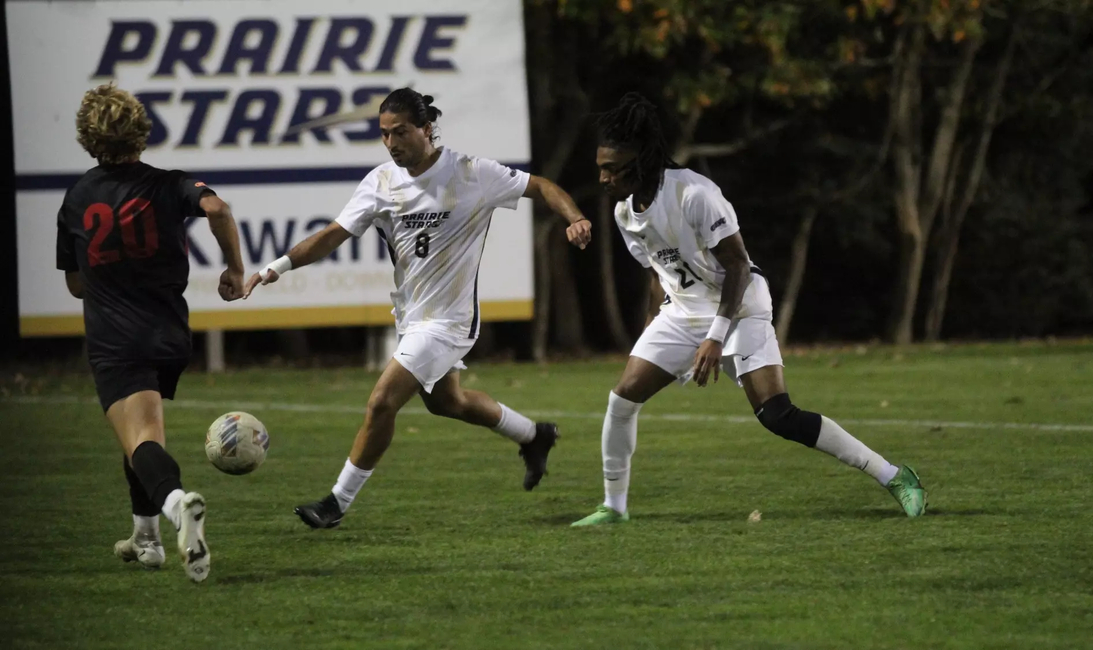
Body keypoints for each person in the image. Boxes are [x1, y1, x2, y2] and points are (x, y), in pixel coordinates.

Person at [571, 93, 927, 527]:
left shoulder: (693, 193)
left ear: (640, 161)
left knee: (777, 415)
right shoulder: (625, 212)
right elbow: (656, 272)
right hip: (681, 314)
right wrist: (652, 330)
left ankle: (894, 476)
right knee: (623, 396)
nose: (604, 178)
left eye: (612, 168)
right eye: (600, 168)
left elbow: (738, 265)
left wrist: (714, 338)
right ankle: (614, 507)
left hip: (738, 307)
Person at [244, 88, 592, 529]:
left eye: (401, 132)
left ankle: (337, 502)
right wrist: (277, 267)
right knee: (448, 402)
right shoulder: (380, 182)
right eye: (385, 134)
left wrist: (574, 216)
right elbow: (333, 234)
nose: (392, 143)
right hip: (413, 318)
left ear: (427, 130)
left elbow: (540, 186)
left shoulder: (470, 173)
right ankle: (533, 435)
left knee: (381, 402)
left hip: (450, 321)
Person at [56, 84, 247, 580]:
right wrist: (234, 270)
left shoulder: (78, 198)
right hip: (169, 335)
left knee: (140, 439)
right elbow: (219, 209)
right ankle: (146, 540)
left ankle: (178, 504)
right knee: (141, 437)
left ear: (87, 137)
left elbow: (76, 285)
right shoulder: (169, 184)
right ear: (141, 131)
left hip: (116, 340)